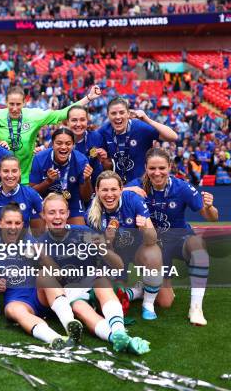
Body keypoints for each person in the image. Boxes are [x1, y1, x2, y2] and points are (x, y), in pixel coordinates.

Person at [37, 193, 150, 354]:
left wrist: (104, 249)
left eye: (62, 212)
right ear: (43, 215)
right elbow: (54, 278)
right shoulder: (40, 243)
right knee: (80, 308)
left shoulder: (84, 232)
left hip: (92, 286)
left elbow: (118, 266)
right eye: (52, 212)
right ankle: (114, 337)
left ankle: (120, 331)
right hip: (66, 293)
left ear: (68, 213)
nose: (57, 216)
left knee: (102, 281)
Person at [0, 76, 101, 184]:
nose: (15, 108)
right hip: (1, 177)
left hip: (26, 177)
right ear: (6, 102)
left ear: (24, 102)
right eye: (11, 104)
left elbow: (61, 114)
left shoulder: (34, 116)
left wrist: (88, 98)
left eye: (18, 104)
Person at [125, 148, 218, 325]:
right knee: (165, 302)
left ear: (170, 167)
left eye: (162, 168)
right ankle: (144, 286)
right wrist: (125, 190)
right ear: (145, 167)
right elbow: (109, 192)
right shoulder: (136, 185)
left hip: (179, 239)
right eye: (152, 168)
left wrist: (210, 207)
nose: (157, 173)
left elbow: (212, 217)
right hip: (154, 246)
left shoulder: (182, 187)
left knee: (198, 245)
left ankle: (196, 308)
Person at [0, 203, 83, 349]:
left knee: (44, 275)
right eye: (9, 222)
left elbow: (58, 275)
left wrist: (43, 256)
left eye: (17, 223)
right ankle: (53, 338)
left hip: (40, 295)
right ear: (0, 223)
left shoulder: (31, 241)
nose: (13, 227)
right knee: (12, 310)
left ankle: (69, 324)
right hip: (17, 299)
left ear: (22, 225)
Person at [85, 171, 163, 320]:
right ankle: (136, 291)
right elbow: (104, 252)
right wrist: (108, 241)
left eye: (114, 189)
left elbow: (152, 239)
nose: (109, 195)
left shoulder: (133, 199)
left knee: (165, 301)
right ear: (97, 191)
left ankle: (148, 305)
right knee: (112, 296)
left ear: (121, 189)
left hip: (137, 251)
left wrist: (144, 229)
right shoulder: (92, 214)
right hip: (114, 257)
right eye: (105, 190)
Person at [97, 97, 178, 184]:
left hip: (142, 186)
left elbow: (173, 137)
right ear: (108, 115)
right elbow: (90, 150)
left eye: (121, 112)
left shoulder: (141, 127)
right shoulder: (104, 131)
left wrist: (147, 120)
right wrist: (98, 152)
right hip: (117, 188)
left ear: (128, 114)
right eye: (113, 113)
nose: (118, 116)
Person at [29, 128, 93, 225]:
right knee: (38, 231)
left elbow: (86, 198)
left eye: (68, 143)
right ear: (52, 144)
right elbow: (32, 193)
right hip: (45, 200)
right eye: (59, 143)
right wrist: (47, 182)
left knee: (79, 234)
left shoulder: (81, 161)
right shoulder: (40, 158)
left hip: (71, 200)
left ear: (73, 145)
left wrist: (87, 180)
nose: (63, 147)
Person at [65, 105, 111, 185]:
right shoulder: (59, 141)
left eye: (82, 120)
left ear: (87, 121)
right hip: (66, 188)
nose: (78, 124)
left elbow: (107, 166)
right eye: (74, 120)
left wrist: (104, 160)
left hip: (93, 188)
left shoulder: (97, 137)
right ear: (67, 122)